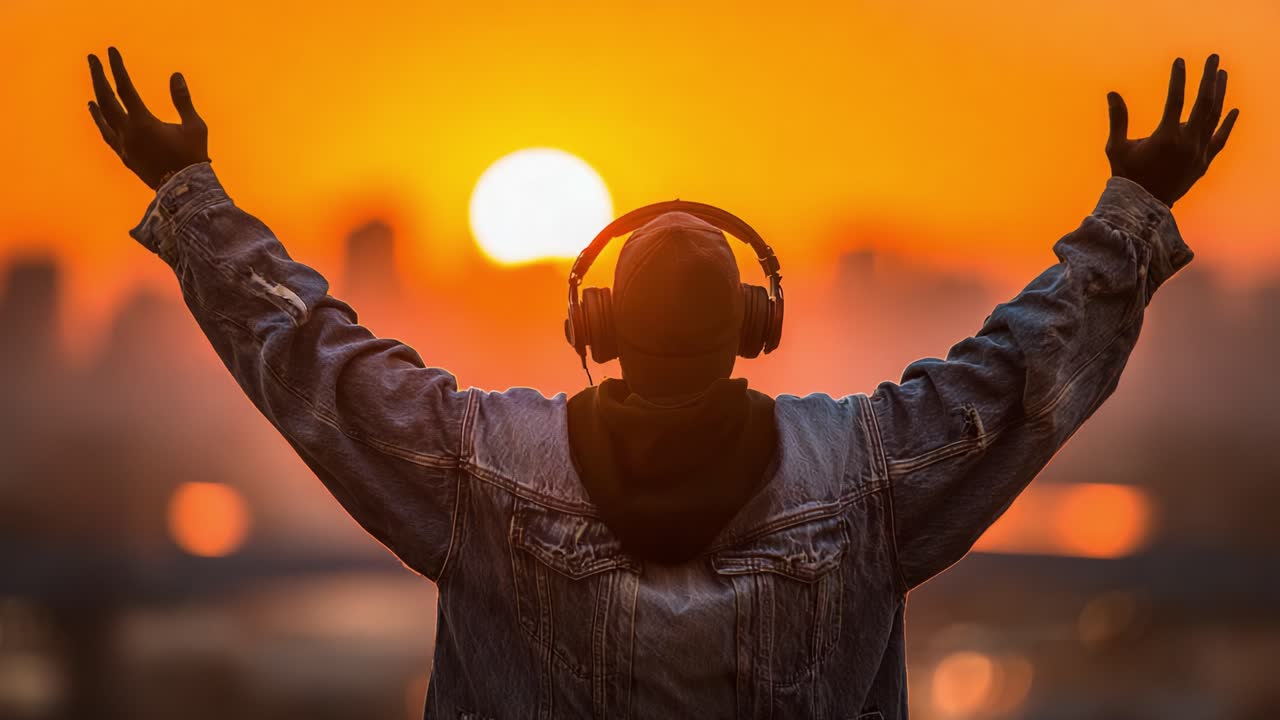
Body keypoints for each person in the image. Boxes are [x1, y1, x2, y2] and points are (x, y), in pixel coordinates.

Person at [86, 46, 1237, 718]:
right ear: (753, 325)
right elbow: (1024, 373)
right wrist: (1134, 208)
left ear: (595, 325)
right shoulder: (873, 473)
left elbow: (313, 360)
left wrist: (189, 189)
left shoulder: (479, 470)